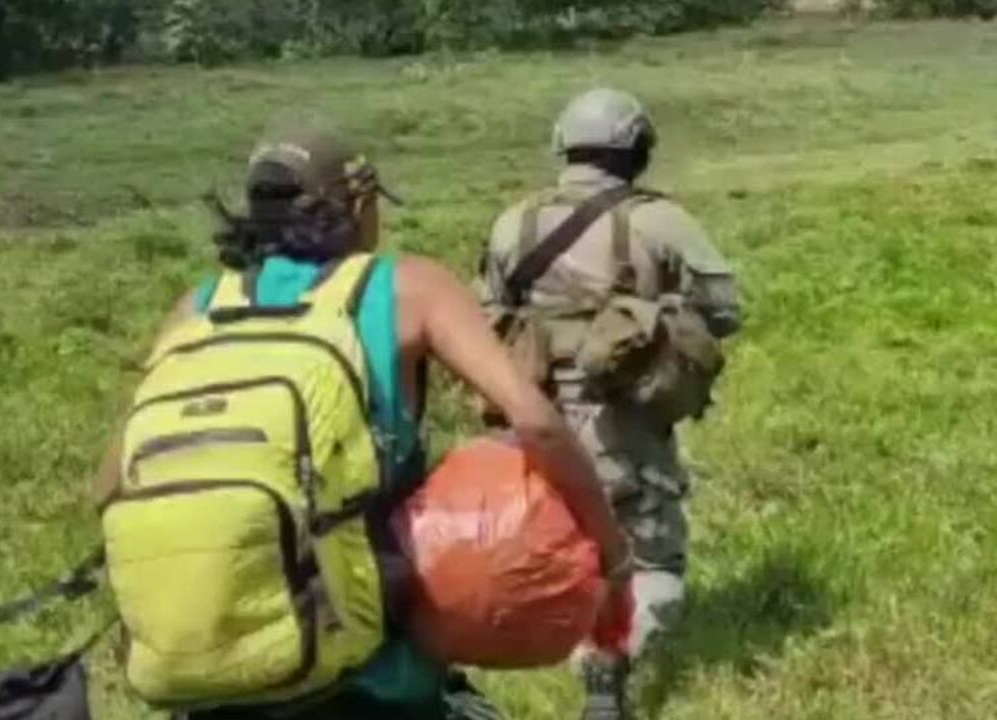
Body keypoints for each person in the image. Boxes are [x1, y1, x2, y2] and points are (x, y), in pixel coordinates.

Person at [93, 117, 634, 720]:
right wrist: (613, 557)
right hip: (369, 676)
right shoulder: (407, 288)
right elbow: (536, 424)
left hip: (214, 676)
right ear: (354, 203)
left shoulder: (200, 306)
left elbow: (110, 483)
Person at [476, 88, 743, 720]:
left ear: (563, 146)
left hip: (532, 412)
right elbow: (727, 309)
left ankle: (552, 635)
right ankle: (609, 659)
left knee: (560, 532)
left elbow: (489, 307)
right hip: (626, 413)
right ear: (638, 149)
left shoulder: (514, 221)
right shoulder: (659, 221)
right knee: (654, 552)